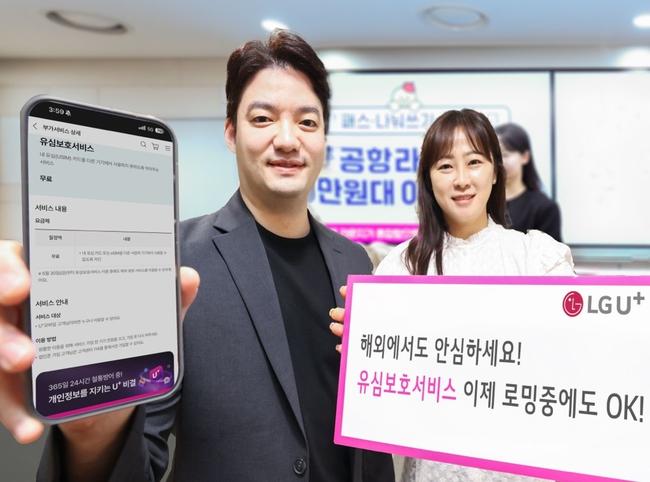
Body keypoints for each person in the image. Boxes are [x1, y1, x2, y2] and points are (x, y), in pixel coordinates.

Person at [0, 30, 394, 482]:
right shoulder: (176, 260)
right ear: (231, 132)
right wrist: (95, 431)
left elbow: (369, 435)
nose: (288, 139)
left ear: (323, 137)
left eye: (307, 122)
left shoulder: (354, 261)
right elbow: (139, 455)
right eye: (263, 118)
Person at [331, 109, 573, 481]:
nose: (461, 179)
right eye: (445, 166)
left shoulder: (538, 259)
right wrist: (363, 348)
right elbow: (387, 396)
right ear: (428, 179)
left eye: (474, 162)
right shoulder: (401, 267)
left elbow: (570, 363)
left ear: (495, 171)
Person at [495, 122, 562, 241]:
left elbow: (552, 251)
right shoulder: (481, 202)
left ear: (525, 157)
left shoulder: (544, 208)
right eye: (495, 156)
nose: (499, 162)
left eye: (505, 155)